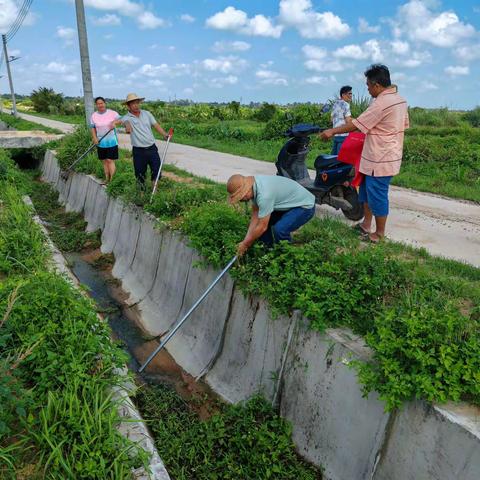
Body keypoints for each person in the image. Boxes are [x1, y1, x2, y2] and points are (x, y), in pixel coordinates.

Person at [320, 64, 409, 243]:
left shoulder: (381, 103)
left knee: (378, 196)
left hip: (380, 158)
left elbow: (357, 124)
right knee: (366, 193)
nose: (367, 89)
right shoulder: (400, 100)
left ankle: (379, 234)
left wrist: (332, 131)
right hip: (378, 155)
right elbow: (403, 125)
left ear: (376, 85)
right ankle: (366, 224)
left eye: (368, 85)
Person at [227, 174, 316, 256]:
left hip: (304, 206)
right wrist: (245, 241)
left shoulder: (264, 195)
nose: (241, 200)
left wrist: (246, 244)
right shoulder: (255, 187)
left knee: (279, 230)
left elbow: (262, 227)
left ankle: (286, 257)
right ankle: (268, 253)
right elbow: (255, 217)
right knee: (259, 231)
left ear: (246, 192)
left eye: (240, 197)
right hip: (288, 204)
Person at [116, 93, 169, 187]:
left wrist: (164, 134)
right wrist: (127, 124)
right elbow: (122, 121)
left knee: (157, 170)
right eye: (133, 104)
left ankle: (155, 192)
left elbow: (156, 125)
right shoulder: (127, 117)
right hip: (139, 151)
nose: (136, 105)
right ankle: (141, 194)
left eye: (137, 103)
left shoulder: (147, 113)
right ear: (128, 106)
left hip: (152, 148)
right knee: (140, 174)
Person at [90, 96, 120, 183]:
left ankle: (112, 180)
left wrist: (115, 122)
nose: (100, 105)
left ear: (105, 103)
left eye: (101, 103)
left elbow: (121, 120)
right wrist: (94, 138)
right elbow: (93, 128)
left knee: (110, 160)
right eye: (98, 104)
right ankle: (107, 178)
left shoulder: (112, 113)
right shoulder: (94, 115)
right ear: (96, 105)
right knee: (104, 161)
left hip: (111, 141)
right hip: (100, 142)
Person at [330, 85, 352, 155]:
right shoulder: (346, 104)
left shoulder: (335, 104)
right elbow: (348, 121)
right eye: (349, 93)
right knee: (341, 159)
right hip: (343, 135)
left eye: (351, 94)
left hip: (336, 135)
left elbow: (331, 119)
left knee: (333, 158)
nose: (351, 95)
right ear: (343, 95)